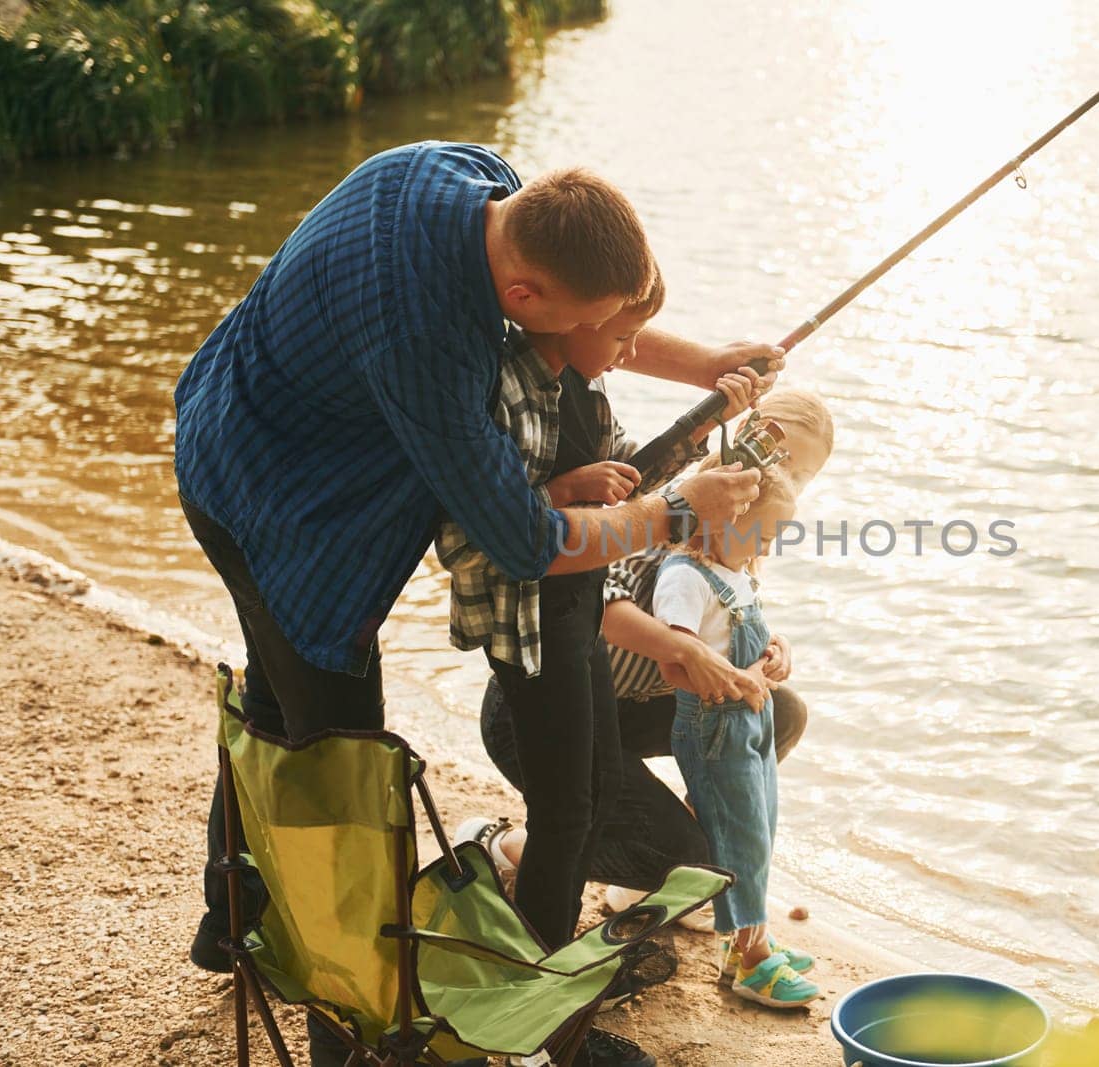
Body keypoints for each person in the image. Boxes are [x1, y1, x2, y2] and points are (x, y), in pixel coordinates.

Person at [173, 141, 773, 1066]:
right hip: (279, 499)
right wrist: (671, 512)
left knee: (271, 701)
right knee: (339, 758)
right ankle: (357, 1029)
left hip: (222, 420)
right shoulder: (432, 342)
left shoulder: (468, 177)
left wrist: (703, 364)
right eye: (603, 325)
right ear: (524, 301)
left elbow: (575, 321)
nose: (614, 346)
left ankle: (231, 919)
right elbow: (529, 541)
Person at [461, 391, 834, 934]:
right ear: (751, 435)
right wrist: (685, 651)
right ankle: (500, 845)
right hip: (549, 713)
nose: (784, 480)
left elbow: (726, 613)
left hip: (633, 713)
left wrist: (771, 650)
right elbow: (605, 609)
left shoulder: (750, 526)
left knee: (783, 712)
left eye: (802, 476)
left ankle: (640, 881)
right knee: (682, 855)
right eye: (781, 458)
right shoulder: (673, 501)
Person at [656, 464, 823, 1008]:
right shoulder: (684, 576)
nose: (769, 547)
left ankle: (747, 941)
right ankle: (753, 964)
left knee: (762, 827)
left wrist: (776, 652)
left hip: (753, 719)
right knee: (738, 837)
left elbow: (744, 631)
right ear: (725, 515)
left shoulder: (738, 567)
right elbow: (674, 665)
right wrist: (737, 679)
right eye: (766, 533)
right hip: (713, 726)